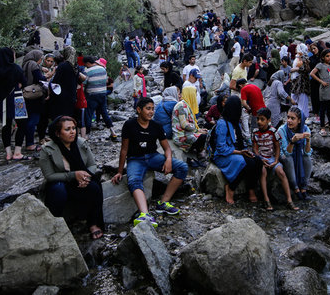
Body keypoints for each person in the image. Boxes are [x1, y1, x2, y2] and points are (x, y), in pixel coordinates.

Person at [111, 97, 188, 227]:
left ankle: (163, 203)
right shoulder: (129, 125)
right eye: (148, 109)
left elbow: (166, 148)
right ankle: (145, 214)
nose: (151, 112)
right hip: (135, 159)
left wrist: (168, 159)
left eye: (152, 109)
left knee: (182, 167)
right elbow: (124, 150)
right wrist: (119, 171)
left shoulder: (156, 125)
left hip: (153, 157)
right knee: (134, 180)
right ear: (139, 110)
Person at [39, 116, 104, 239]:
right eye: (67, 129)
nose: (72, 132)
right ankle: (56, 224)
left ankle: (93, 223)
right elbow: (49, 176)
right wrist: (73, 175)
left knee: (95, 187)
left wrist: (86, 177)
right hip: (61, 182)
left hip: (81, 180)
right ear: (58, 133)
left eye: (74, 128)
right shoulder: (47, 149)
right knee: (58, 190)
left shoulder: (81, 143)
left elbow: (92, 165)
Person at [212, 96, 262, 204]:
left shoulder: (236, 122)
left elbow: (240, 142)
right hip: (222, 155)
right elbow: (221, 148)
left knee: (257, 160)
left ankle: (251, 188)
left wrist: (245, 151)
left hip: (236, 151)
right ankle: (230, 188)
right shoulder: (222, 123)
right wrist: (240, 152)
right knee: (243, 162)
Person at [252, 108, 297, 211]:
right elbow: (255, 148)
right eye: (258, 119)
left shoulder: (273, 131)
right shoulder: (255, 132)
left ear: (268, 120)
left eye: (262, 119)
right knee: (262, 172)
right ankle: (266, 200)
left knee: (281, 172)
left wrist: (276, 160)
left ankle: (289, 200)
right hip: (262, 158)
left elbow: (277, 147)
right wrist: (260, 159)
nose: (259, 122)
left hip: (272, 158)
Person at [0, 47, 29, 161]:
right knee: (22, 124)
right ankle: (17, 152)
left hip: (2, 99)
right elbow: (24, 82)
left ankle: (8, 152)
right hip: (16, 98)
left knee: (5, 126)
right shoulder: (15, 68)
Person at [278, 107, 312, 201]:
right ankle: (296, 188)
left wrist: (308, 141)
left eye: (293, 118)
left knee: (307, 158)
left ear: (299, 120)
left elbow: (307, 152)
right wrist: (292, 142)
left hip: (298, 155)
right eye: (288, 117)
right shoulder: (282, 130)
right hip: (285, 156)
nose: (289, 121)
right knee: (288, 159)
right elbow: (287, 153)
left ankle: (303, 188)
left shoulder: (305, 129)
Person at [82, 56, 118, 141]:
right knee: (104, 113)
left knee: (89, 114)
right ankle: (113, 132)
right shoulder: (103, 69)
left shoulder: (87, 71)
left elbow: (84, 83)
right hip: (102, 94)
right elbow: (105, 81)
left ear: (87, 63)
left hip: (92, 95)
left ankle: (87, 134)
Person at [172, 85, 208, 164]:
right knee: (203, 137)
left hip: (186, 132)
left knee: (206, 132)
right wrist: (197, 131)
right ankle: (199, 154)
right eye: (194, 94)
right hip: (180, 136)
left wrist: (198, 130)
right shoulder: (181, 106)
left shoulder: (186, 105)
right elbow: (184, 125)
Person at [309, 49, 330, 136]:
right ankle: (322, 126)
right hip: (324, 89)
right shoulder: (320, 65)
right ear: (323, 57)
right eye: (327, 56)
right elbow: (312, 74)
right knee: (323, 108)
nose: (329, 58)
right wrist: (321, 81)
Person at [22, 50, 46, 151]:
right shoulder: (33, 64)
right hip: (34, 95)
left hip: (26, 94)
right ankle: (30, 143)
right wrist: (47, 76)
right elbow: (39, 79)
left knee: (28, 119)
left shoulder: (24, 64)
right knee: (34, 119)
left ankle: (28, 141)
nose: (41, 60)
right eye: (40, 58)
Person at [49, 48, 78, 120]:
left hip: (61, 96)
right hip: (72, 96)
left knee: (60, 118)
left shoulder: (63, 65)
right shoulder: (76, 67)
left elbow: (56, 80)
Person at [290, 44, 311, 119]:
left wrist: (295, 69)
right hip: (296, 80)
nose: (296, 49)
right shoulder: (298, 57)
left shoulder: (304, 58)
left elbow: (306, 69)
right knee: (295, 98)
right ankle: (295, 115)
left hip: (301, 81)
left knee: (302, 99)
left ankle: (302, 116)